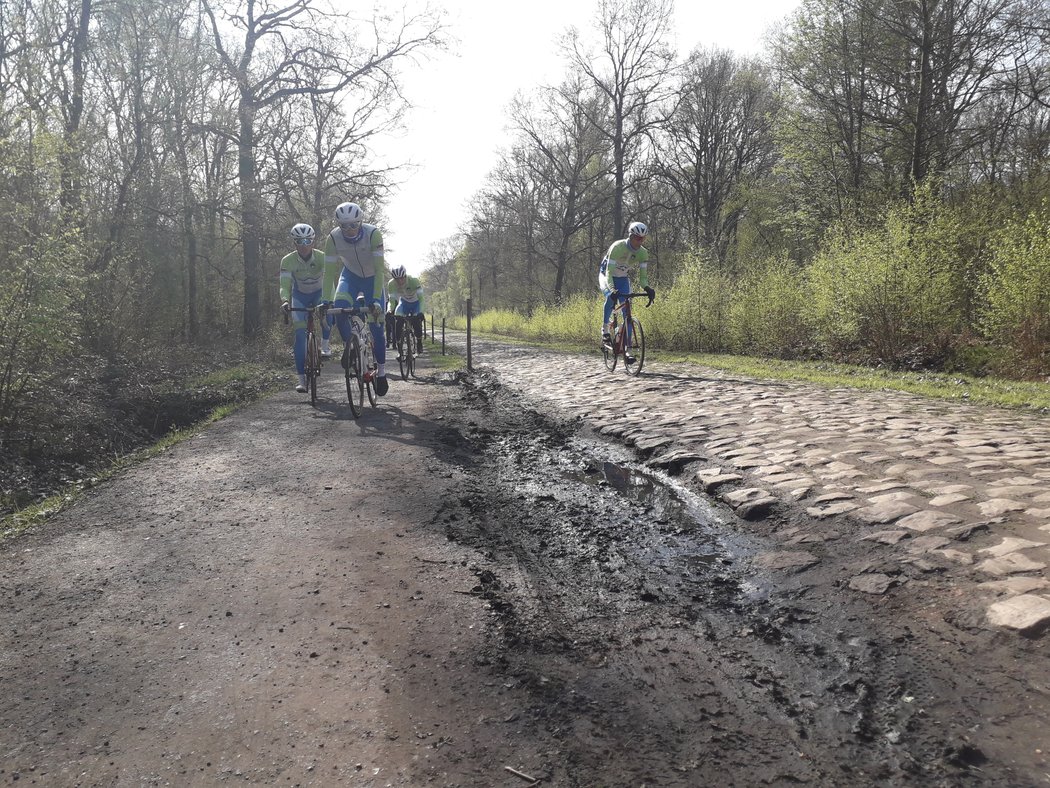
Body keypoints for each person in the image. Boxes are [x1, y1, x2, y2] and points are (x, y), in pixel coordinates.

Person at [322, 202, 389, 395]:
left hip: (372, 279)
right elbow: (328, 273)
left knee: (377, 328)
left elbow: (378, 270)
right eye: (344, 226)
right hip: (349, 277)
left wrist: (376, 299)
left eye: (353, 225)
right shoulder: (333, 238)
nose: (349, 230)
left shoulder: (373, 234)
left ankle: (382, 372)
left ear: (360, 222)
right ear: (338, 225)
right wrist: (326, 300)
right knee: (340, 309)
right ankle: (350, 347)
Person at [280, 223, 332, 394]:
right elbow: (285, 284)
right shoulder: (287, 261)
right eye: (299, 241)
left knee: (327, 314)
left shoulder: (322, 257)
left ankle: (325, 345)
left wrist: (327, 300)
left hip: (319, 293)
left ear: (313, 241)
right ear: (294, 243)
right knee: (300, 337)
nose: (304, 245)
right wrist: (285, 301)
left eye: (307, 240)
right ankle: (301, 379)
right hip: (299, 296)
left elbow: (329, 281)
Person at [598, 220, 656, 364]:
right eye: (637, 238)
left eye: (643, 239)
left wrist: (647, 289)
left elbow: (643, 278)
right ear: (630, 236)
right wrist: (611, 290)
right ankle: (605, 329)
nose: (640, 241)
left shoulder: (643, 253)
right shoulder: (617, 247)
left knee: (627, 315)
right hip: (606, 276)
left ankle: (627, 349)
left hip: (623, 279)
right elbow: (609, 272)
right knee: (610, 299)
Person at [387, 265, 425, 360]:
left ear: (405, 276)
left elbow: (421, 299)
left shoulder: (414, 281)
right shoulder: (391, 284)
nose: (399, 281)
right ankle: (400, 352)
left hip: (416, 304)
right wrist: (389, 310)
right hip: (403, 304)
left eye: (401, 278)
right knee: (398, 323)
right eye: (397, 279)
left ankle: (419, 342)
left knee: (416, 323)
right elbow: (391, 301)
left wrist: (421, 312)